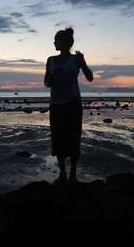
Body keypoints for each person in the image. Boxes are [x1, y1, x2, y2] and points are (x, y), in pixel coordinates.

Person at [44, 27, 93, 186]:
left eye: (57, 39)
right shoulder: (51, 60)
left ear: (66, 42)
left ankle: (73, 174)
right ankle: (62, 174)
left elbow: (90, 77)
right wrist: (49, 81)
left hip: (72, 103)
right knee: (58, 138)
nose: (54, 42)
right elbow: (46, 82)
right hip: (56, 104)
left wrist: (83, 64)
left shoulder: (75, 60)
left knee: (73, 138)